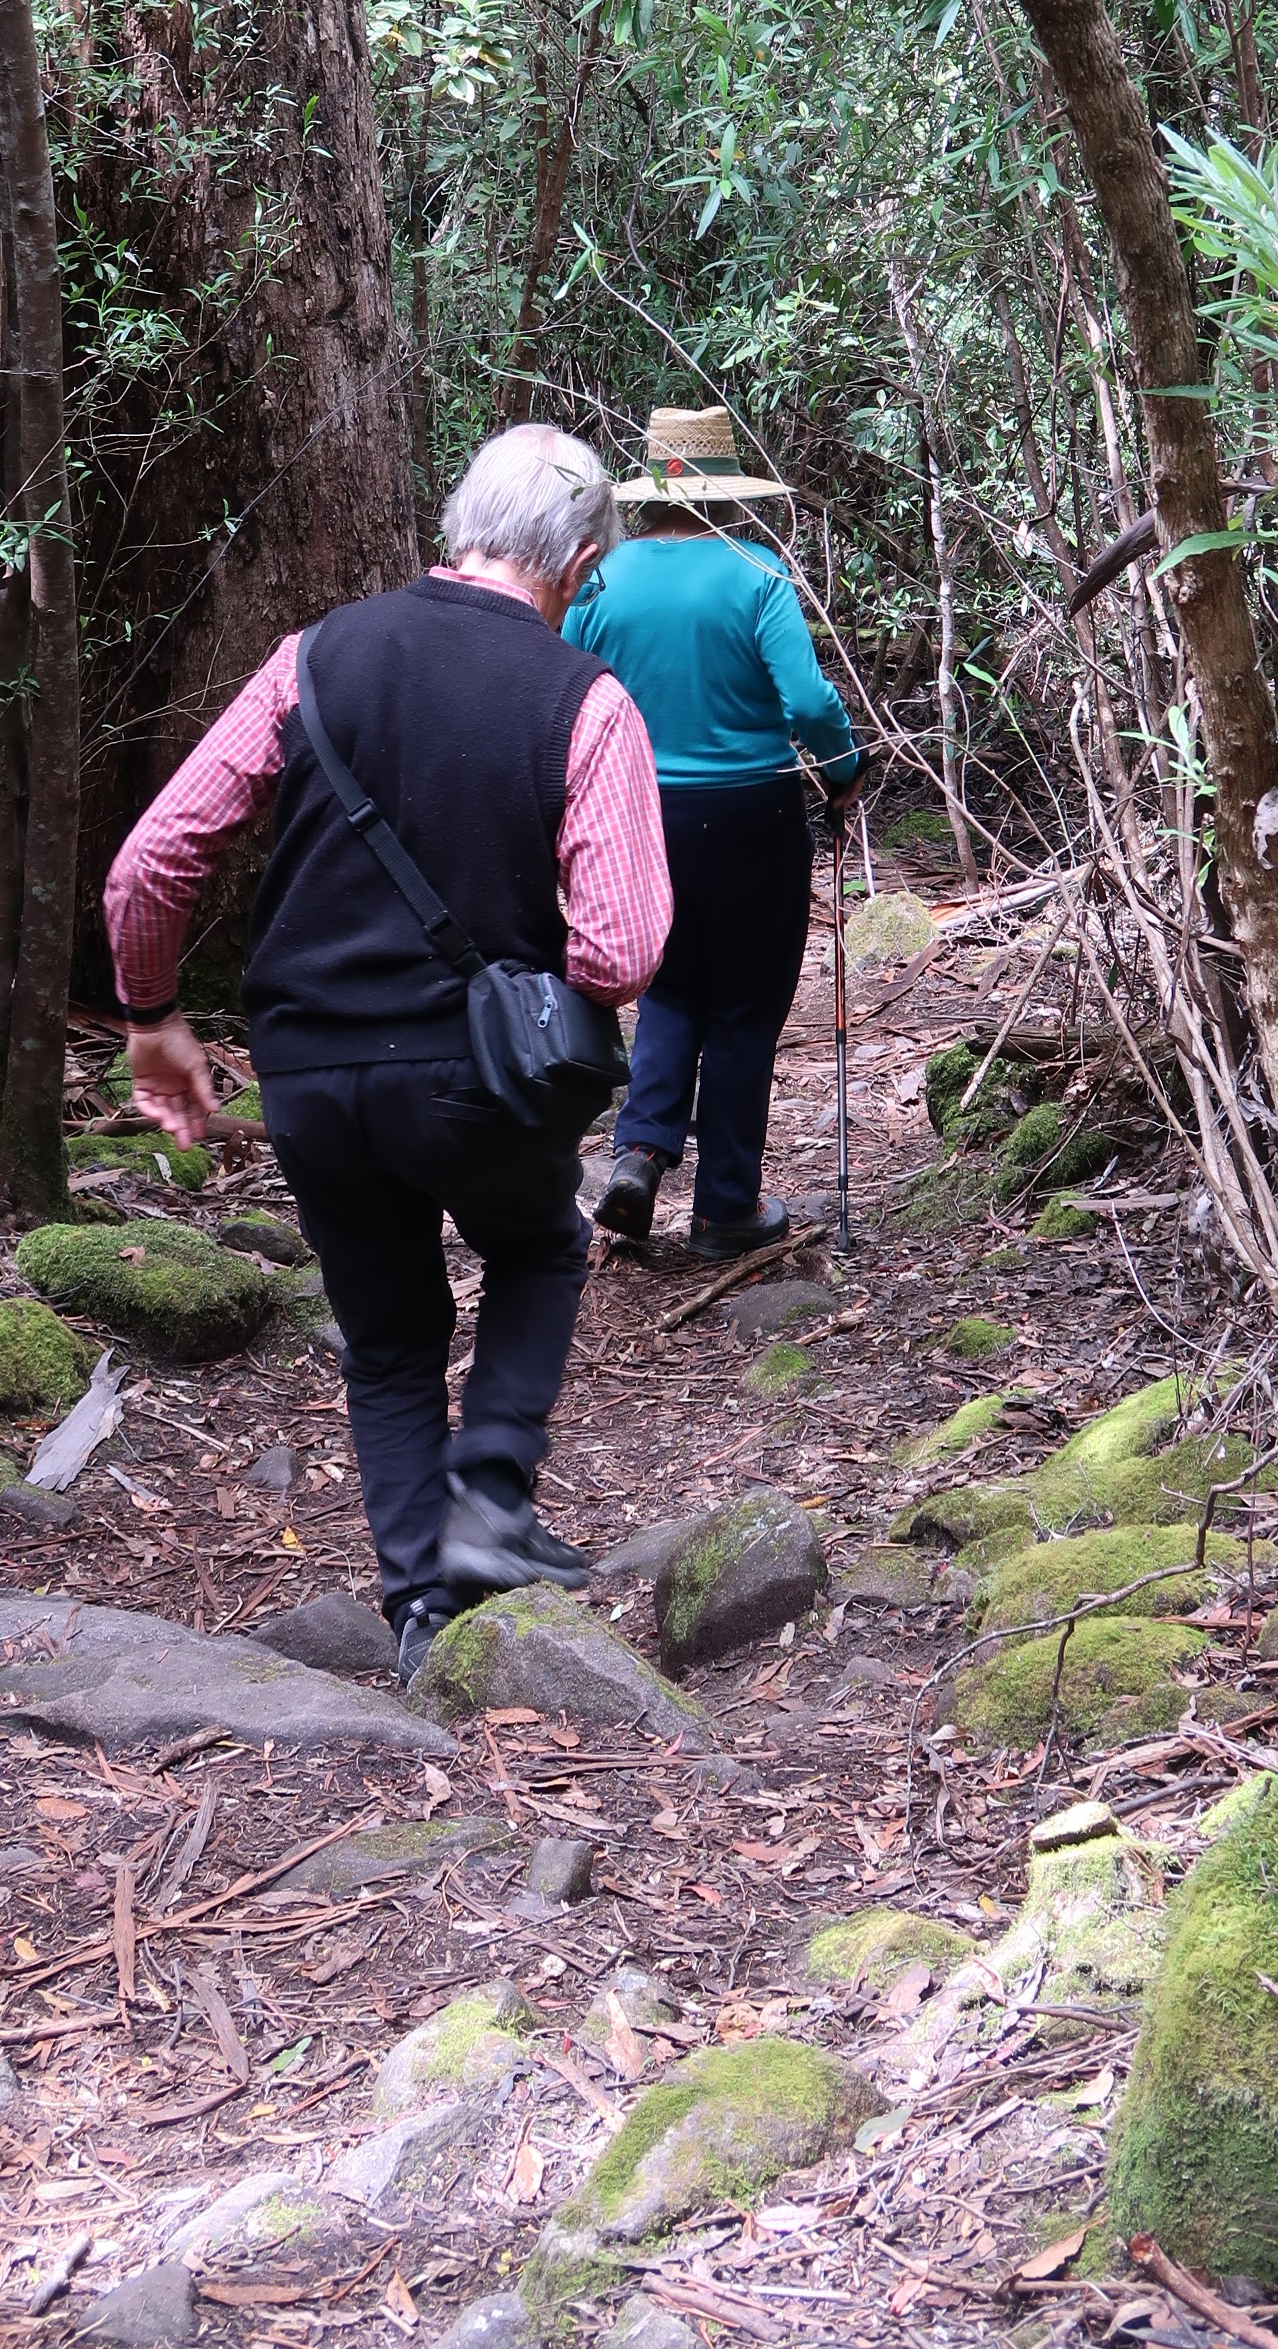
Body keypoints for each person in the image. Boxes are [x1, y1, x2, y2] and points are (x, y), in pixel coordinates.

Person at [102, 422, 671, 1684]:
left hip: (309, 1076)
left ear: (455, 527)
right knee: (541, 1243)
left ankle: (419, 1606)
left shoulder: (310, 658)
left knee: (389, 1335)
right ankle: (489, 1498)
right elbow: (619, 952)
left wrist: (154, 1018)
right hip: (476, 1079)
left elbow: (152, 862)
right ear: (579, 565)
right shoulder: (585, 701)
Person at [562, 404, 863, 1258]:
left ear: (651, 493)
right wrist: (843, 769)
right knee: (743, 1006)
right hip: (753, 816)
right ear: (726, 492)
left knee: (667, 988)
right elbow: (807, 701)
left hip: (641, 812)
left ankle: (639, 1155)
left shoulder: (603, 581)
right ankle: (725, 1206)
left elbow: (567, 686)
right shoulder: (757, 574)